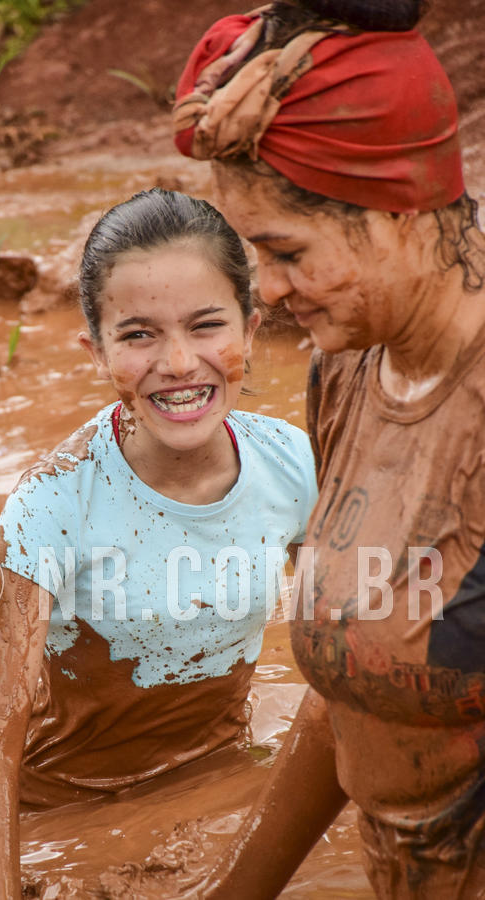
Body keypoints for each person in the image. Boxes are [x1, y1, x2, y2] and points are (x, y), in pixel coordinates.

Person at [172, 1, 485, 898]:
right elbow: (349, 696)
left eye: (285, 252)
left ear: (398, 213)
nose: (264, 292)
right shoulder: (348, 368)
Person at [0, 188, 318, 898]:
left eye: (206, 325)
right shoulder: (52, 504)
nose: (180, 362)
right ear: (96, 351)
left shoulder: (293, 465)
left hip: (218, 773)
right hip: (65, 811)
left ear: (249, 328)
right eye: (139, 335)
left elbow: (344, 658)